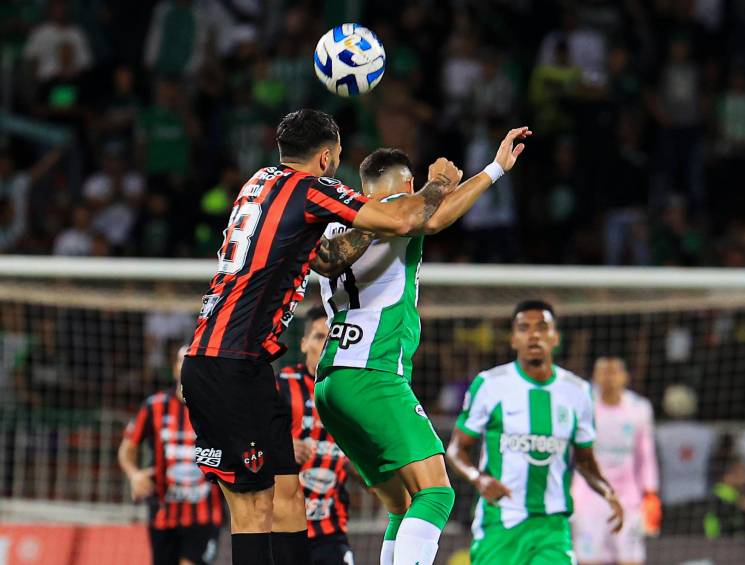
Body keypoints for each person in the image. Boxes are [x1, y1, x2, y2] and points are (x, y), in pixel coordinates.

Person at [181, 108, 462, 565]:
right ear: (328, 157)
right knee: (253, 508)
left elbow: (329, 257)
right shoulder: (311, 188)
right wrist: (437, 186)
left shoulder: (258, 183)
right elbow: (403, 220)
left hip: (245, 363)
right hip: (227, 361)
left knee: (289, 494)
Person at [313, 126, 531, 565]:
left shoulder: (339, 227)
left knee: (402, 503)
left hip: (332, 380)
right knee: (435, 494)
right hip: (374, 373)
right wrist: (494, 169)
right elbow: (432, 217)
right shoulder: (395, 210)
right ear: (408, 186)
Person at [446, 300, 624, 565]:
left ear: (555, 338)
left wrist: (608, 491)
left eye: (542, 327)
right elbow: (456, 448)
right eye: (524, 328)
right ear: (513, 339)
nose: (534, 334)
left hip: (552, 527)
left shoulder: (578, 392)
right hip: (500, 523)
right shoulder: (490, 385)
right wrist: (478, 479)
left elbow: (585, 460)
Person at [118, 346, 223, 565]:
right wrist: (135, 475)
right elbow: (127, 450)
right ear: (174, 368)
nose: (186, 367)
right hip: (163, 513)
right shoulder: (155, 406)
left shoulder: (217, 408)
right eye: (181, 361)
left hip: (204, 514)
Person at [275, 307, 354, 565]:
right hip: (284, 527)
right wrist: (285, 446)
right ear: (304, 343)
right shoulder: (282, 384)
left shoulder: (351, 392)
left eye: (332, 338)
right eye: (320, 337)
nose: (326, 345)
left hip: (330, 529)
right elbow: (250, 442)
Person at [571, 357, 660, 565]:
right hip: (588, 496)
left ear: (625, 377)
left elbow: (646, 454)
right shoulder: (583, 407)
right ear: (594, 377)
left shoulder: (640, 408)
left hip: (627, 496)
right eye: (603, 371)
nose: (609, 377)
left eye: (614, 371)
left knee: (630, 559)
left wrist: (651, 493)